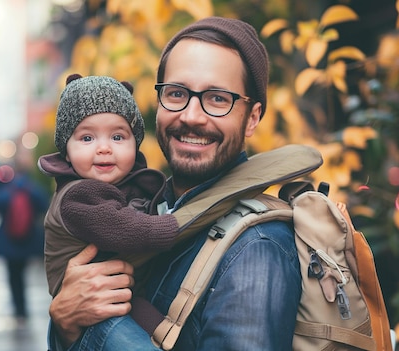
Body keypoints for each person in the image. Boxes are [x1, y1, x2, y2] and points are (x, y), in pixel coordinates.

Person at [48, 16, 302, 351]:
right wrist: (65, 324)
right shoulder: (148, 206)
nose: (192, 116)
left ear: (252, 118)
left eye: (217, 99)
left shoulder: (255, 248)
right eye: (177, 93)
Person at [38, 74, 185, 346]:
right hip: (92, 313)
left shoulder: (127, 187)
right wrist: (175, 225)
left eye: (118, 136)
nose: (104, 148)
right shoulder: (77, 195)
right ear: (66, 152)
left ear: (135, 144)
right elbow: (123, 228)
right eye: (87, 138)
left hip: (121, 299)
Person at [0, 161, 50, 323]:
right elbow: (46, 206)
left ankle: (19, 311)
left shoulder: (5, 191)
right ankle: (23, 308)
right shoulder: (32, 189)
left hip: (8, 242)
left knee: (13, 276)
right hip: (29, 241)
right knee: (22, 274)